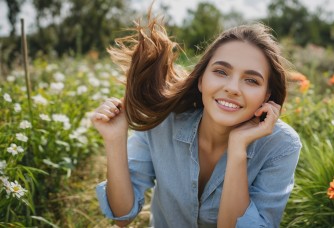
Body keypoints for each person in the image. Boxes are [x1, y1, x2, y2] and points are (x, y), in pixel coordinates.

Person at [91, 11, 302, 228]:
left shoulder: (281, 145)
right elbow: (122, 216)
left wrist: (238, 148)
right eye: (221, 72)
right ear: (201, 80)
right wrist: (115, 139)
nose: (232, 88)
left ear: (267, 95)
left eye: (251, 80)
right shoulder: (164, 121)